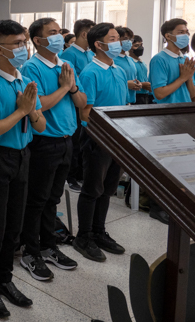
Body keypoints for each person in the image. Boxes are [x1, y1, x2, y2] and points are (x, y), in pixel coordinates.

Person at [0, 19, 45, 318]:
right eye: (16, 43)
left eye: (23, 42)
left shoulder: (24, 81)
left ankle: (5, 279)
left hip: (22, 156)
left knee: (14, 225)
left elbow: (40, 125)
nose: (22, 48)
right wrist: (21, 110)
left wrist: (31, 110)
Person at [19, 18, 85, 283]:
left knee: (53, 199)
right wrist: (63, 88)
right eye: (53, 33)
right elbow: (38, 105)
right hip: (44, 141)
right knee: (36, 200)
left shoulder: (65, 67)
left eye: (59, 32)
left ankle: (48, 246)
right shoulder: (30, 68)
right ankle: (29, 252)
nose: (59, 36)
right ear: (38, 40)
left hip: (68, 140)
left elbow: (81, 101)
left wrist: (72, 87)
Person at [74, 22, 127, 263]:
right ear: (99, 44)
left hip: (117, 138)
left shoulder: (119, 70)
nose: (119, 42)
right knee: (92, 189)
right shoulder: (90, 72)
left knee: (108, 188)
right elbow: (86, 113)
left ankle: (99, 231)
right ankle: (83, 236)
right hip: (97, 138)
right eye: (114, 38)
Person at [60, 19, 95, 192]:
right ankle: (71, 176)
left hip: (85, 100)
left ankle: (80, 173)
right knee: (74, 141)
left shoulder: (89, 53)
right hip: (73, 100)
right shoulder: (69, 54)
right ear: (84, 34)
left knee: (82, 141)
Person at [150, 18, 195, 104]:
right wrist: (182, 78)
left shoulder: (185, 59)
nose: (185, 35)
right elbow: (159, 94)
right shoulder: (159, 59)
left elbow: (192, 94)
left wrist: (189, 78)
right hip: (168, 112)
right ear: (168, 36)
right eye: (181, 32)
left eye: (186, 32)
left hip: (185, 110)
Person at [114, 26, 141, 105]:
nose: (128, 42)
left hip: (130, 101)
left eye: (130, 39)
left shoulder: (130, 59)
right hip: (119, 102)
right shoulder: (112, 60)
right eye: (125, 39)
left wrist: (138, 84)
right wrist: (126, 84)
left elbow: (132, 77)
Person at [130, 36, 153, 104]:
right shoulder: (130, 63)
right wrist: (142, 85)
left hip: (145, 95)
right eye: (136, 46)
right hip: (135, 95)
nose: (140, 48)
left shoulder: (143, 63)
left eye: (141, 45)